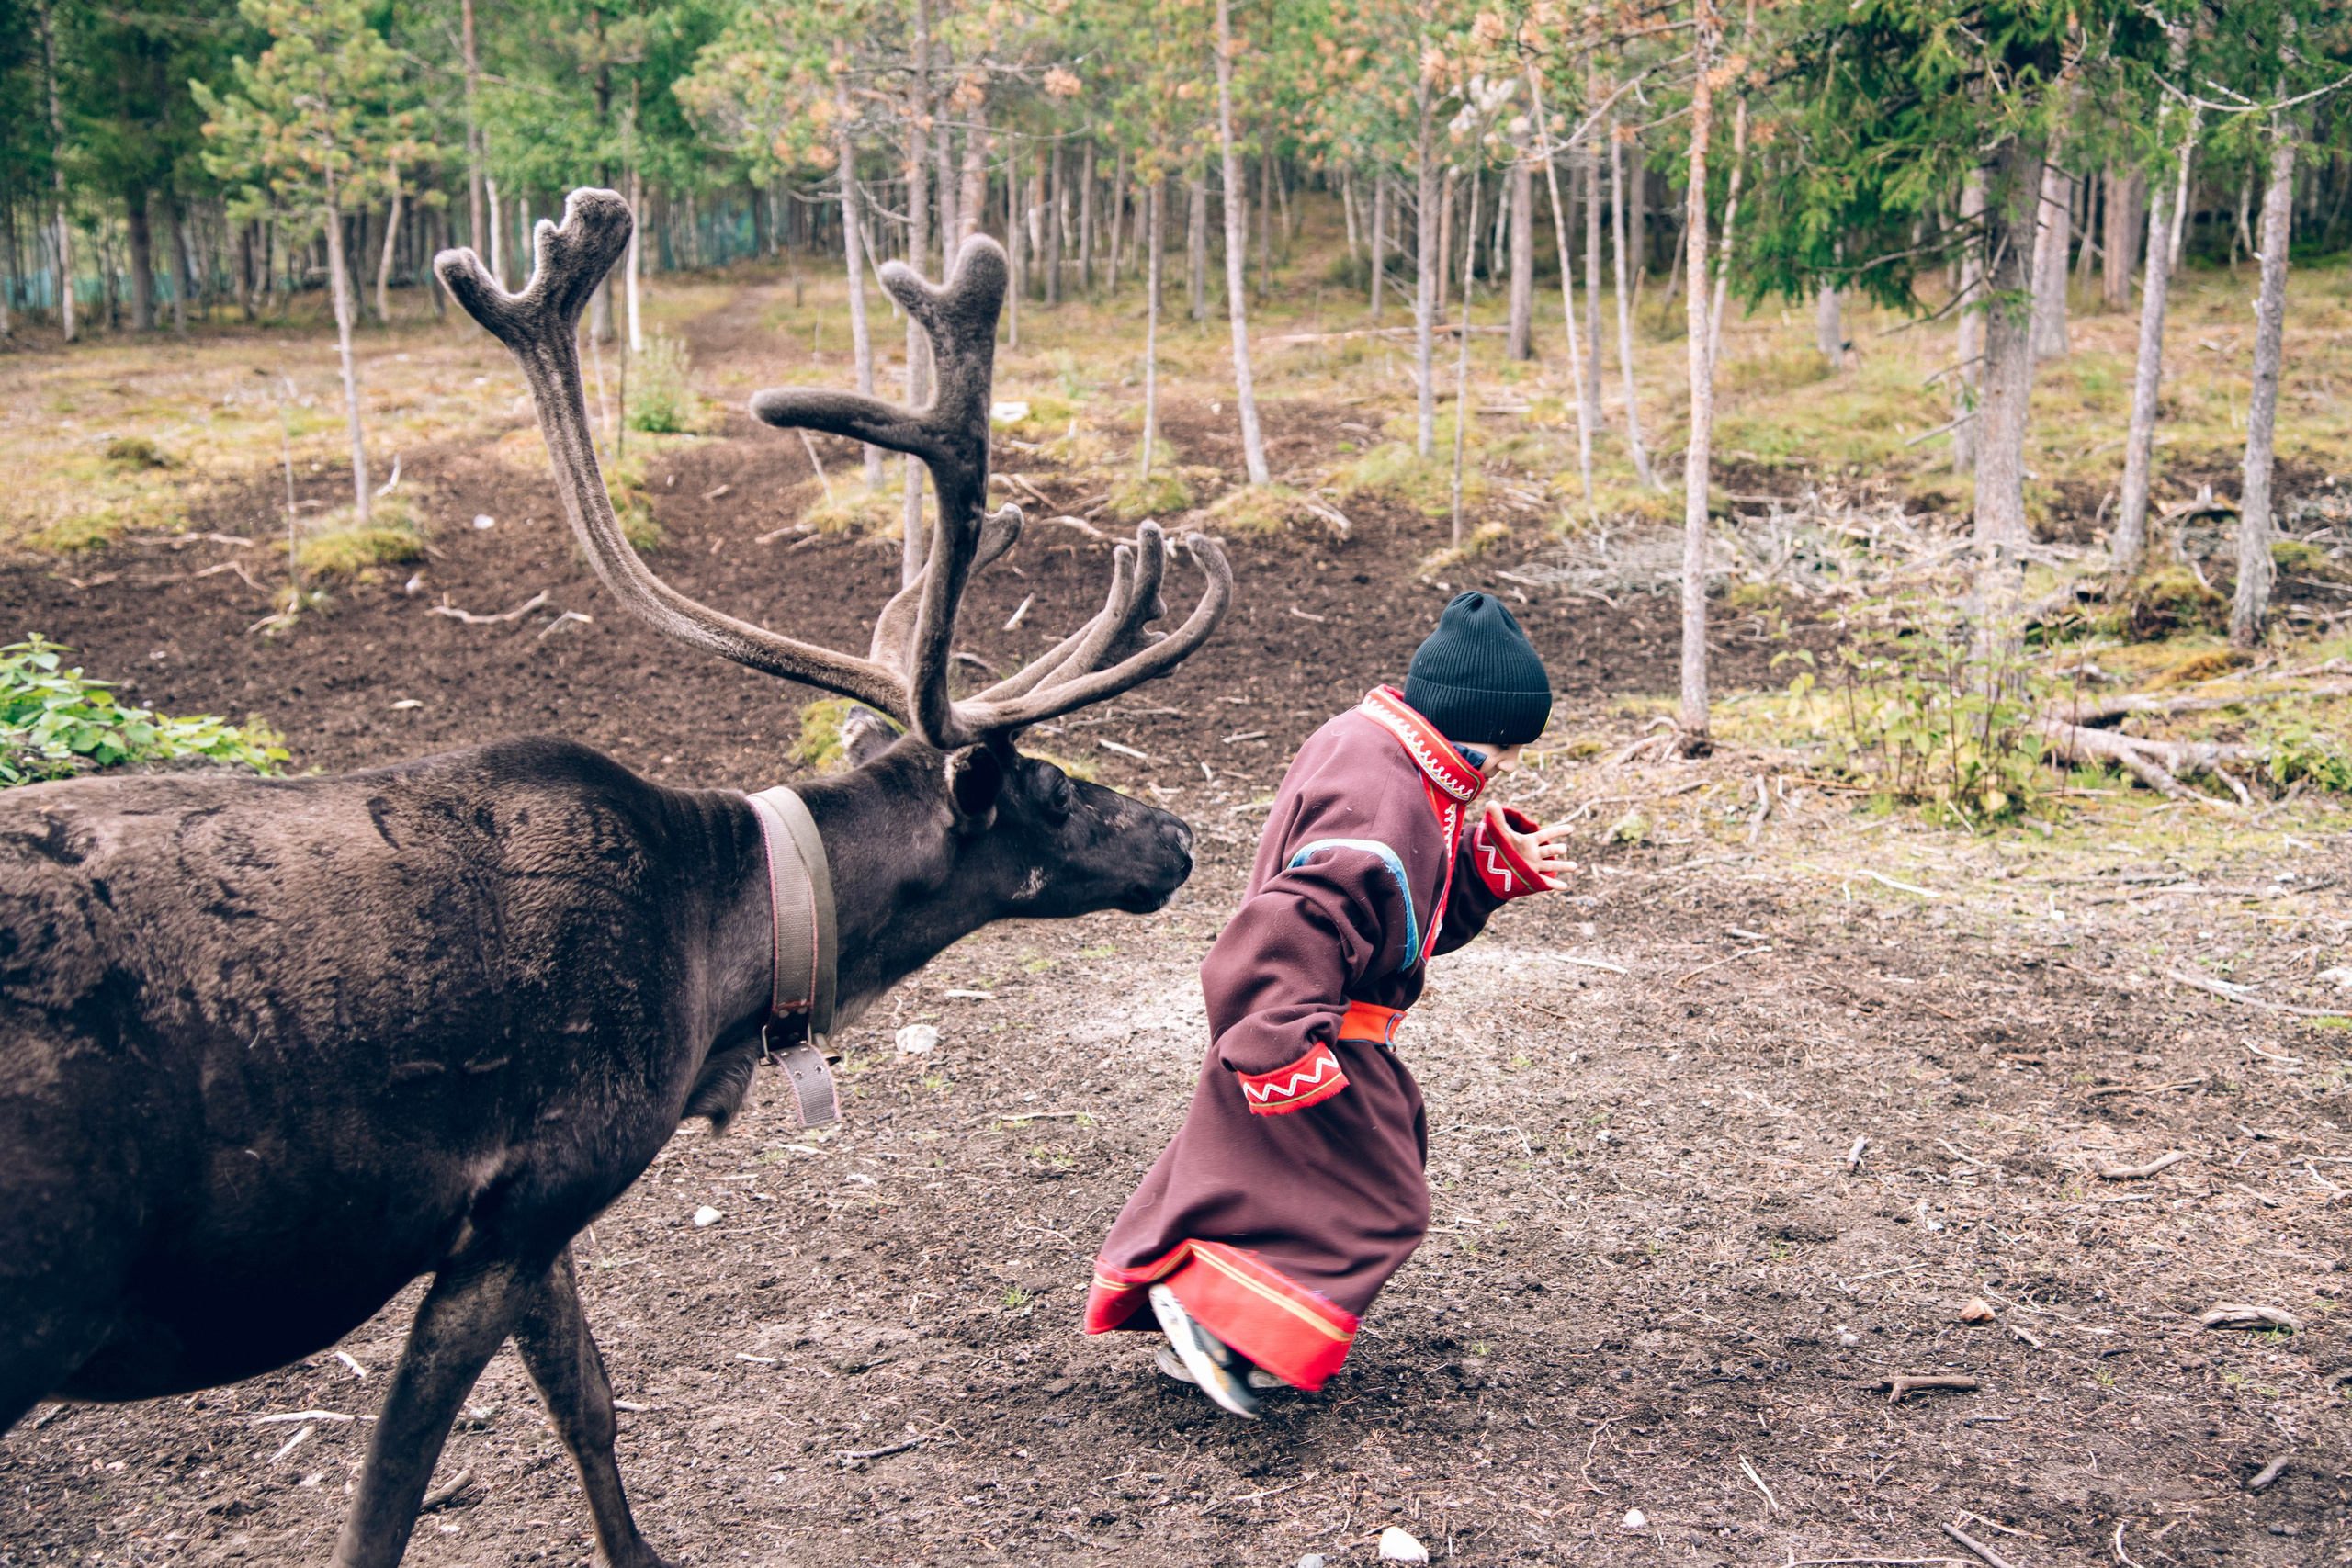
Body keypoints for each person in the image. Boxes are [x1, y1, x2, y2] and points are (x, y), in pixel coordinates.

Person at [1081, 592, 1576, 1417]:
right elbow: (1295, 919)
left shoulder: (1378, 755)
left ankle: (1209, 1321)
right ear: (1466, 729)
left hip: (1307, 1023)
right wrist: (1277, 1041)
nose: (1509, 766)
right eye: (1505, 750)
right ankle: (1218, 1331)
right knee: (1379, 1201)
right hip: (1306, 1031)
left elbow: (1397, 921)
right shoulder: (1380, 802)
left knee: (1270, 1188)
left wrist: (1487, 870)